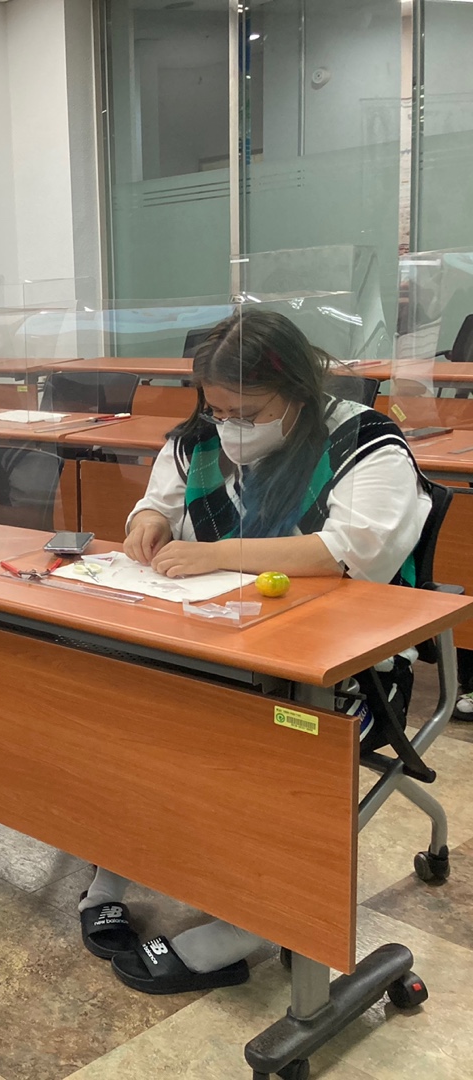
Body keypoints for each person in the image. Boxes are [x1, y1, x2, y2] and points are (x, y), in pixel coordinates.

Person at [85, 309, 432, 995]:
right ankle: (111, 868)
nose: (228, 426)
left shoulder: (365, 441)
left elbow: (349, 553)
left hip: (339, 669)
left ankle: (253, 922)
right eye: (217, 410)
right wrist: (148, 520)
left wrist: (219, 553)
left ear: (298, 391)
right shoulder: (200, 439)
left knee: (254, 743)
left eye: (246, 412)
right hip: (214, 646)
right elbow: (158, 503)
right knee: (119, 708)